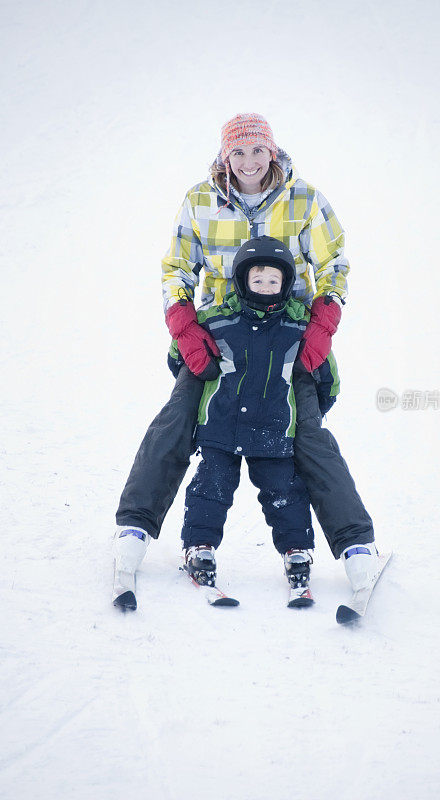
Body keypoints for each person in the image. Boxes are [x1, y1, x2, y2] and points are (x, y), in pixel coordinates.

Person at [113, 112, 377, 608]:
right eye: (238, 152)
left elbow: (334, 262)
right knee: (174, 423)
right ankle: (133, 530)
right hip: (216, 340)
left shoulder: (305, 200)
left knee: (310, 437)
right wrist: (186, 328)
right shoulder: (200, 200)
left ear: (272, 152)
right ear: (224, 156)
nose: (249, 161)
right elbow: (175, 267)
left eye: (258, 151)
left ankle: (356, 543)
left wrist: (322, 324)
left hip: (288, 336)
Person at [180, 237, 338, 606]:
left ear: (285, 285)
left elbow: (326, 376)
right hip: (221, 426)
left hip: (273, 431)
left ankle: (296, 552)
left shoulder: (297, 329)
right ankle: (199, 547)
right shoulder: (218, 321)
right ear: (242, 282)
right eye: (257, 280)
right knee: (211, 487)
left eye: (273, 281)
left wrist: (308, 412)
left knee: (285, 492)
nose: (265, 288)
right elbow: (180, 354)